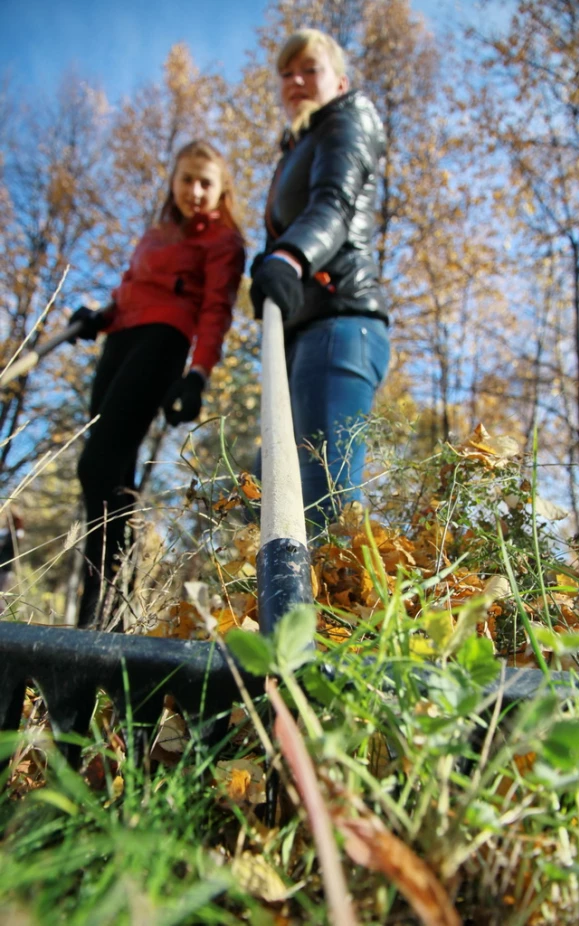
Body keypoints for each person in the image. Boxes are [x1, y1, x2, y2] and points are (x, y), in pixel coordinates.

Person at [69, 140, 245, 629]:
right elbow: (127, 291)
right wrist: (97, 317)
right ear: (173, 181)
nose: (195, 190)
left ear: (221, 189)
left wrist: (197, 373)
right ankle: (107, 615)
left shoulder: (223, 242)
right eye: (187, 178)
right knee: (111, 475)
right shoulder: (154, 235)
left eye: (206, 182)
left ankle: (103, 608)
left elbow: (215, 311)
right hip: (119, 341)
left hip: (164, 341)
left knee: (95, 466)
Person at [250, 28, 390, 532]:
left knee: (324, 498)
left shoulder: (348, 120)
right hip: (303, 332)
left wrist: (288, 257)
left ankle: (339, 611)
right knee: (277, 496)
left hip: (340, 323)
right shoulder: (297, 146)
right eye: (286, 74)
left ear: (340, 80)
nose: (296, 80)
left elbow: (334, 201)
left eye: (310, 69)